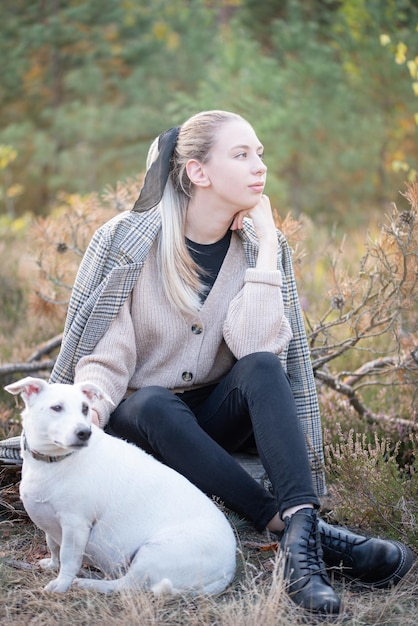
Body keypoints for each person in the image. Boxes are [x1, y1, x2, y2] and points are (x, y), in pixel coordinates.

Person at [50, 110, 413, 614]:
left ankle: (300, 553)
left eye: (259, 153)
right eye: (241, 155)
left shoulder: (261, 245)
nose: (258, 166)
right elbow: (106, 355)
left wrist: (265, 253)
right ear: (198, 172)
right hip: (144, 422)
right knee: (155, 402)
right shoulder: (127, 241)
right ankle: (298, 532)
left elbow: (259, 348)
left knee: (263, 369)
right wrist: (87, 411)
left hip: (215, 419)